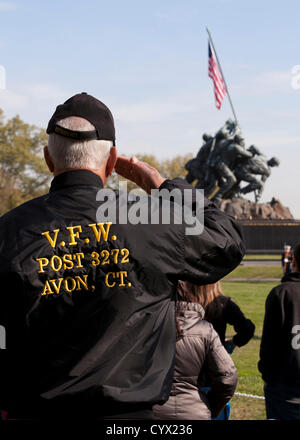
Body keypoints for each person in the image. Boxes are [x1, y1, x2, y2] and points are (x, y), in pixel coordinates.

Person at [0, 92, 245, 420]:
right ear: (112, 161)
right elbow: (226, 239)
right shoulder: (148, 217)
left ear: (48, 158)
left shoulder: (10, 230)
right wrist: (163, 187)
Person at [153, 298, 238, 420]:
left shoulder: (145, 325)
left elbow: (228, 377)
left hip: (153, 410)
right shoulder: (205, 330)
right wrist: (208, 406)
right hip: (194, 410)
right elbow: (228, 376)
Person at [258, 243, 300, 420]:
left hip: (285, 394)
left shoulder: (281, 294)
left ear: (294, 261)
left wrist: (270, 379)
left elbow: (269, 347)